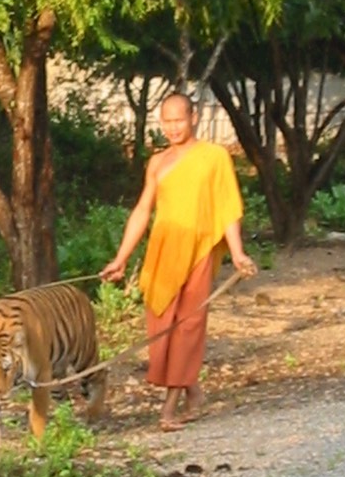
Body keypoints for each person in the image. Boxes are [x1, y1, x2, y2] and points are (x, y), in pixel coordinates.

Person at [100, 92, 256, 432]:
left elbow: (228, 208)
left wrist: (239, 252)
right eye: (167, 121)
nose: (173, 127)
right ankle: (194, 392)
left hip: (198, 251)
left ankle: (168, 408)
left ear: (194, 117)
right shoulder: (157, 162)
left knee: (187, 326)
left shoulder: (214, 157)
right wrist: (121, 258)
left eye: (179, 120)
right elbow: (143, 210)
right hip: (162, 253)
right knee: (160, 328)